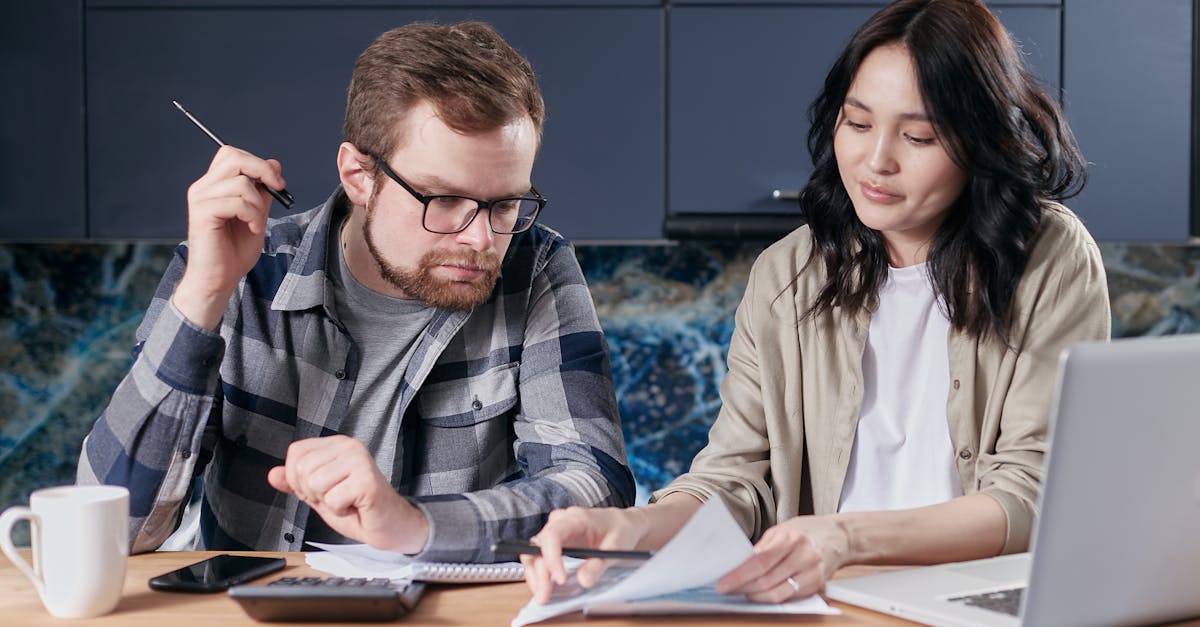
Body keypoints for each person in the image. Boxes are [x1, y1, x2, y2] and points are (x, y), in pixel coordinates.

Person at [522, 0, 1110, 603]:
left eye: (919, 136)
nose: (876, 160)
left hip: (977, 605)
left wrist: (845, 538)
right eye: (857, 124)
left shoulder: (1050, 258)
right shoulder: (787, 274)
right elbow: (737, 479)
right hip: (835, 606)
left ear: (979, 141)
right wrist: (630, 528)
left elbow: (1036, 493)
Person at [77, 21, 634, 562]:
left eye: (506, 204)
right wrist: (203, 293)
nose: (482, 238)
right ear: (359, 175)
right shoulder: (230, 269)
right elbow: (117, 530)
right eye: (442, 200)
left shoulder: (534, 265)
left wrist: (413, 525)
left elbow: (593, 488)